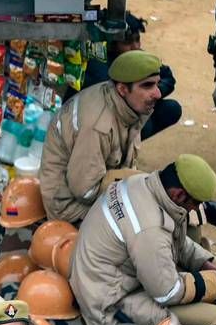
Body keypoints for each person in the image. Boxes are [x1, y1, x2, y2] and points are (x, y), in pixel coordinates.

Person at [68, 155, 216, 325]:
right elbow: (167, 292)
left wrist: (207, 263)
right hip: (109, 305)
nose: (196, 209)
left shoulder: (142, 183)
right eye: (196, 203)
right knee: (214, 321)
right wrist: (212, 284)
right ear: (179, 194)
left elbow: (176, 240)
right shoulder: (150, 228)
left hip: (105, 281)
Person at [40, 50, 163, 225]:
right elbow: (85, 191)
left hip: (94, 190)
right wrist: (132, 187)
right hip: (69, 206)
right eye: (147, 86)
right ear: (121, 89)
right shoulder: (98, 125)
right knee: (143, 225)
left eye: (157, 84)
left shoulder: (127, 105)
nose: (157, 93)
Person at [79, 16, 182, 141]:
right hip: (100, 124)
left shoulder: (135, 56)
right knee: (143, 124)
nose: (135, 46)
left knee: (171, 109)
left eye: (137, 40)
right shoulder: (99, 64)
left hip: (127, 114)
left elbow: (167, 77)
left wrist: (148, 92)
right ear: (113, 44)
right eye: (127, 42)